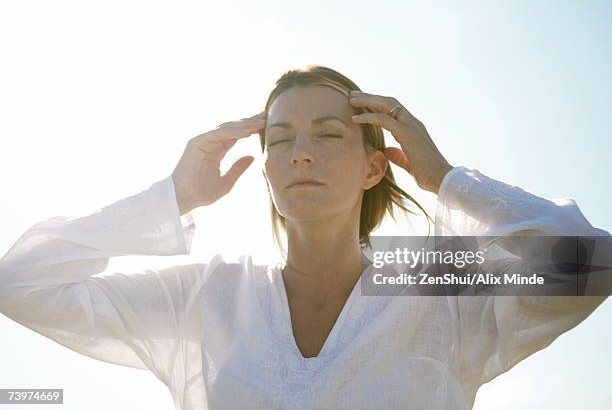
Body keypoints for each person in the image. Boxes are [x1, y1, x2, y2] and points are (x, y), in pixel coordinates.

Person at [0, 65, 609, 410]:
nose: (300, 154)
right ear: (264, 169)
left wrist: (445, 179)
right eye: (280, 139)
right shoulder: (211, 292)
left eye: (328, 134)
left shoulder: (430, 283)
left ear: (375, 166)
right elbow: (20, 283)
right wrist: (172, 198)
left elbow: (592, 266)